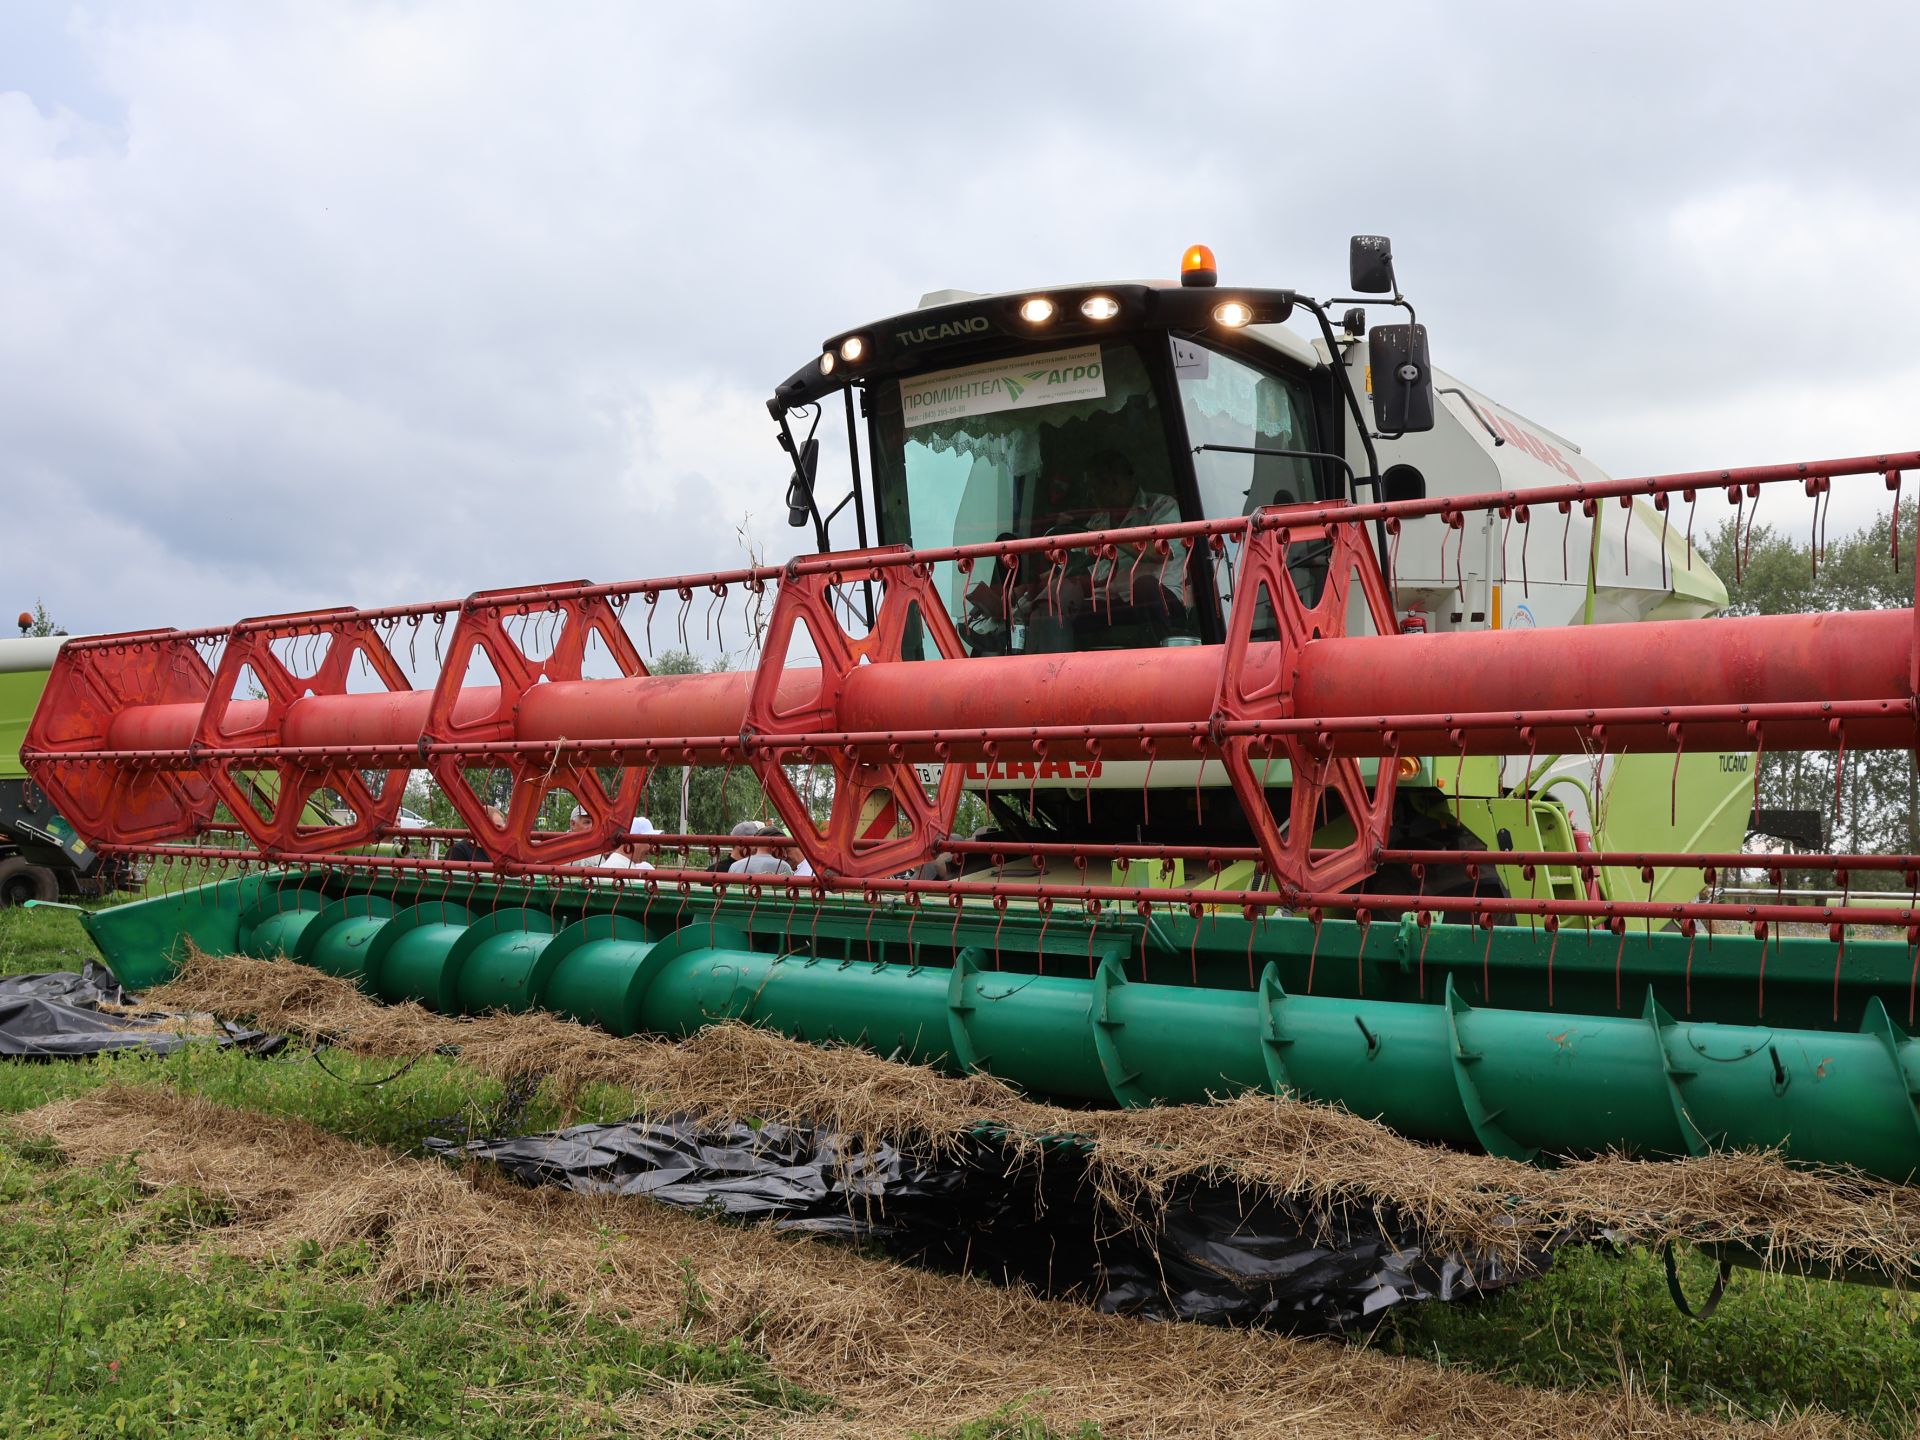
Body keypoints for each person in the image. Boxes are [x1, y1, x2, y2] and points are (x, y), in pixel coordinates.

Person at [727, 820, 794, 877]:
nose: (785, 855)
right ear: (773, 846)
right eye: (783, 848)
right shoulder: (783, 867)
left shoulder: (734, 866)